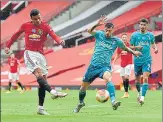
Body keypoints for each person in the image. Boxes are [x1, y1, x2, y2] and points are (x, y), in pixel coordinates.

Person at [5, 9, 68, 115]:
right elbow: (16, 35)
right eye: (35, 19)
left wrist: (59, 41)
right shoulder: (26, 26)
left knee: (43, 81)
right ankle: (53, 92)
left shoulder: (45, 26)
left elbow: (54, 35)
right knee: (38, 73)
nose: (38, 20)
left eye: (39, 17)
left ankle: (40, 108)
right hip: (29, 53)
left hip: (41, 55)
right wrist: (8, 46)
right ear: (31, 19)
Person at [73, 15, 141, 113]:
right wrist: (97, 24)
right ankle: (80, 102)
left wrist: (134, 52)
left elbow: (125, 48)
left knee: (108, 78)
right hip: (93, 67)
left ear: (113, 30)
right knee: (83, 87)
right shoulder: (99, 34)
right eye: (106, 30)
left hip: (104, 67)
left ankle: (113, 101)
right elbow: (89, 30)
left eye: (109, 30)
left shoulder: (116, 41)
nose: (107, 32)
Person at [130, 18, 158, 106]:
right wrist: (137, 47)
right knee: (137, 80)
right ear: (139, 25)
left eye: (144, 25)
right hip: (137, 60)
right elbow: (130, 47)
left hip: (147, 60)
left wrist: (155, 48)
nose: (142, 26)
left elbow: (153, 43)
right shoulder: (134, 35)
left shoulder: (150, 35)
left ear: (147, 26)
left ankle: (142, 97)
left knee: (145, 78)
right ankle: (138, 93)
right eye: (141, 24)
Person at [112, 33, 133, 98]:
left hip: (129, 63)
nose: (124, 38)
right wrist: (113, 62)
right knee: (123, 78)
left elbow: (134, 51)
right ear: (121, 39)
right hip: (122, 64)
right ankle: (126, 93)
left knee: (126, 77)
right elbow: (118, 55)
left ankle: (127, 92)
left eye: (125, 37)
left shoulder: (130, 45)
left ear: (127, 38)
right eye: (123, 37)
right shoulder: (120, 46)